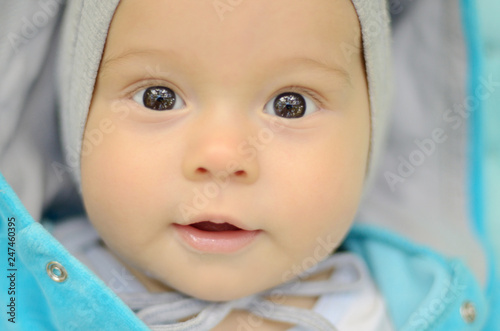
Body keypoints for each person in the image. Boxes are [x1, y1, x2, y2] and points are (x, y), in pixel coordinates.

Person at [0, 0, 495, 330]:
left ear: (372, 131)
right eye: (158, 97)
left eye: (290, 106)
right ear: (77, 114)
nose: (221, 157)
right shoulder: (23, 296)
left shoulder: (408, 305)